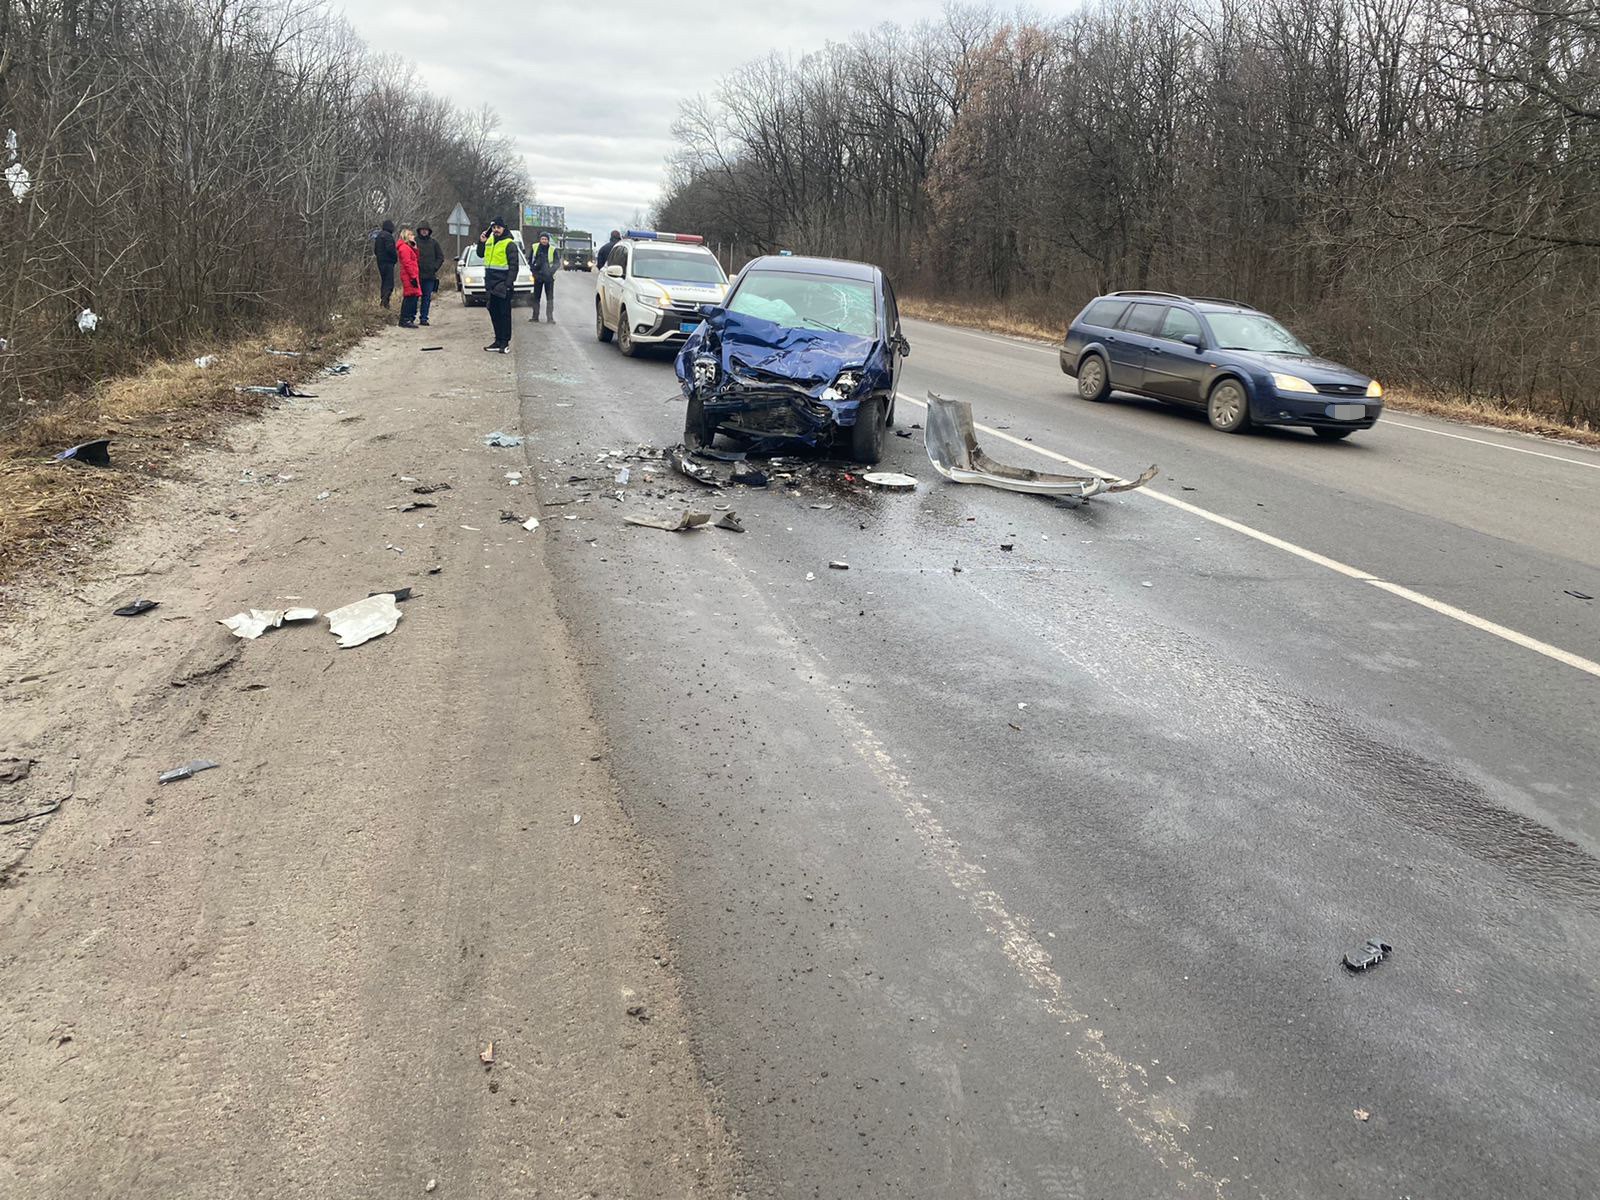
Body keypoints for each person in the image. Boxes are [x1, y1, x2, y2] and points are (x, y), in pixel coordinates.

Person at [479, 218, 520, 353]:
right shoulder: (489, 241)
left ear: (504, 228)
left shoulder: (510, 244)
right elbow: (480, 254)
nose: (496, 230)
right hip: (490, 284)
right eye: (494, 227)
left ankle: (505, 342)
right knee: (494, 313)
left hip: (503, 284)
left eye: (499, 227)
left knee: (504, 315)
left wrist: (508, 284)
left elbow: (514, 267)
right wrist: (481, 242)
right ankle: (497, 340)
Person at [414, 223, 445, 326]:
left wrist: (435, 267)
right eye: (422, 230)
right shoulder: (414, 242)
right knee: (414, 297)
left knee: (426, 298)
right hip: (416, 275)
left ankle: (424, 318)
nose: (424, 231)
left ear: (429, 231)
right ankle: (411, 317)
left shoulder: (434, 243)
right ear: (419, 231)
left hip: (430, 275)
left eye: (426, 230)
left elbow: (440, 257)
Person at [529, 232, 558, 323]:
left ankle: (550, 318)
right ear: (540, 239)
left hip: (548, 278)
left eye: (545, 239)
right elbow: (530, 260)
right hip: (537, 277)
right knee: (536, 297)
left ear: (548, 240)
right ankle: (535, 317)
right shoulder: (534, 247)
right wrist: (534, 271)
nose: (544, 240)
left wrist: (550, 272)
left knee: (549, 298)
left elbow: (557, 263)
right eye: (542, 239)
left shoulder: (552, 249)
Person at [396, 228, 422, 328]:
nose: (413, 237)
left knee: (413, 297)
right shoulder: (404, 248)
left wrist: (415, 248)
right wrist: (413, 277)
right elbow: (407, 263)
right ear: (407, 236)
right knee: (409, 297)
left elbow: (415, 258)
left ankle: (408, 318)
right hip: (409, 276)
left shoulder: (408, 247)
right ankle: (405, 319)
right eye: (411, 235)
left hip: (412, 274)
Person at [373, 219, 398, 308]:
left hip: (380, 262)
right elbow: (391, 249)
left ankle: (383, 301)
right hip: (388, 263)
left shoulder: (379, 236)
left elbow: (375, 250)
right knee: (389, 283)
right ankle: (385, 302)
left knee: (384, 282)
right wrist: (395, 258)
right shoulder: (388, 237)